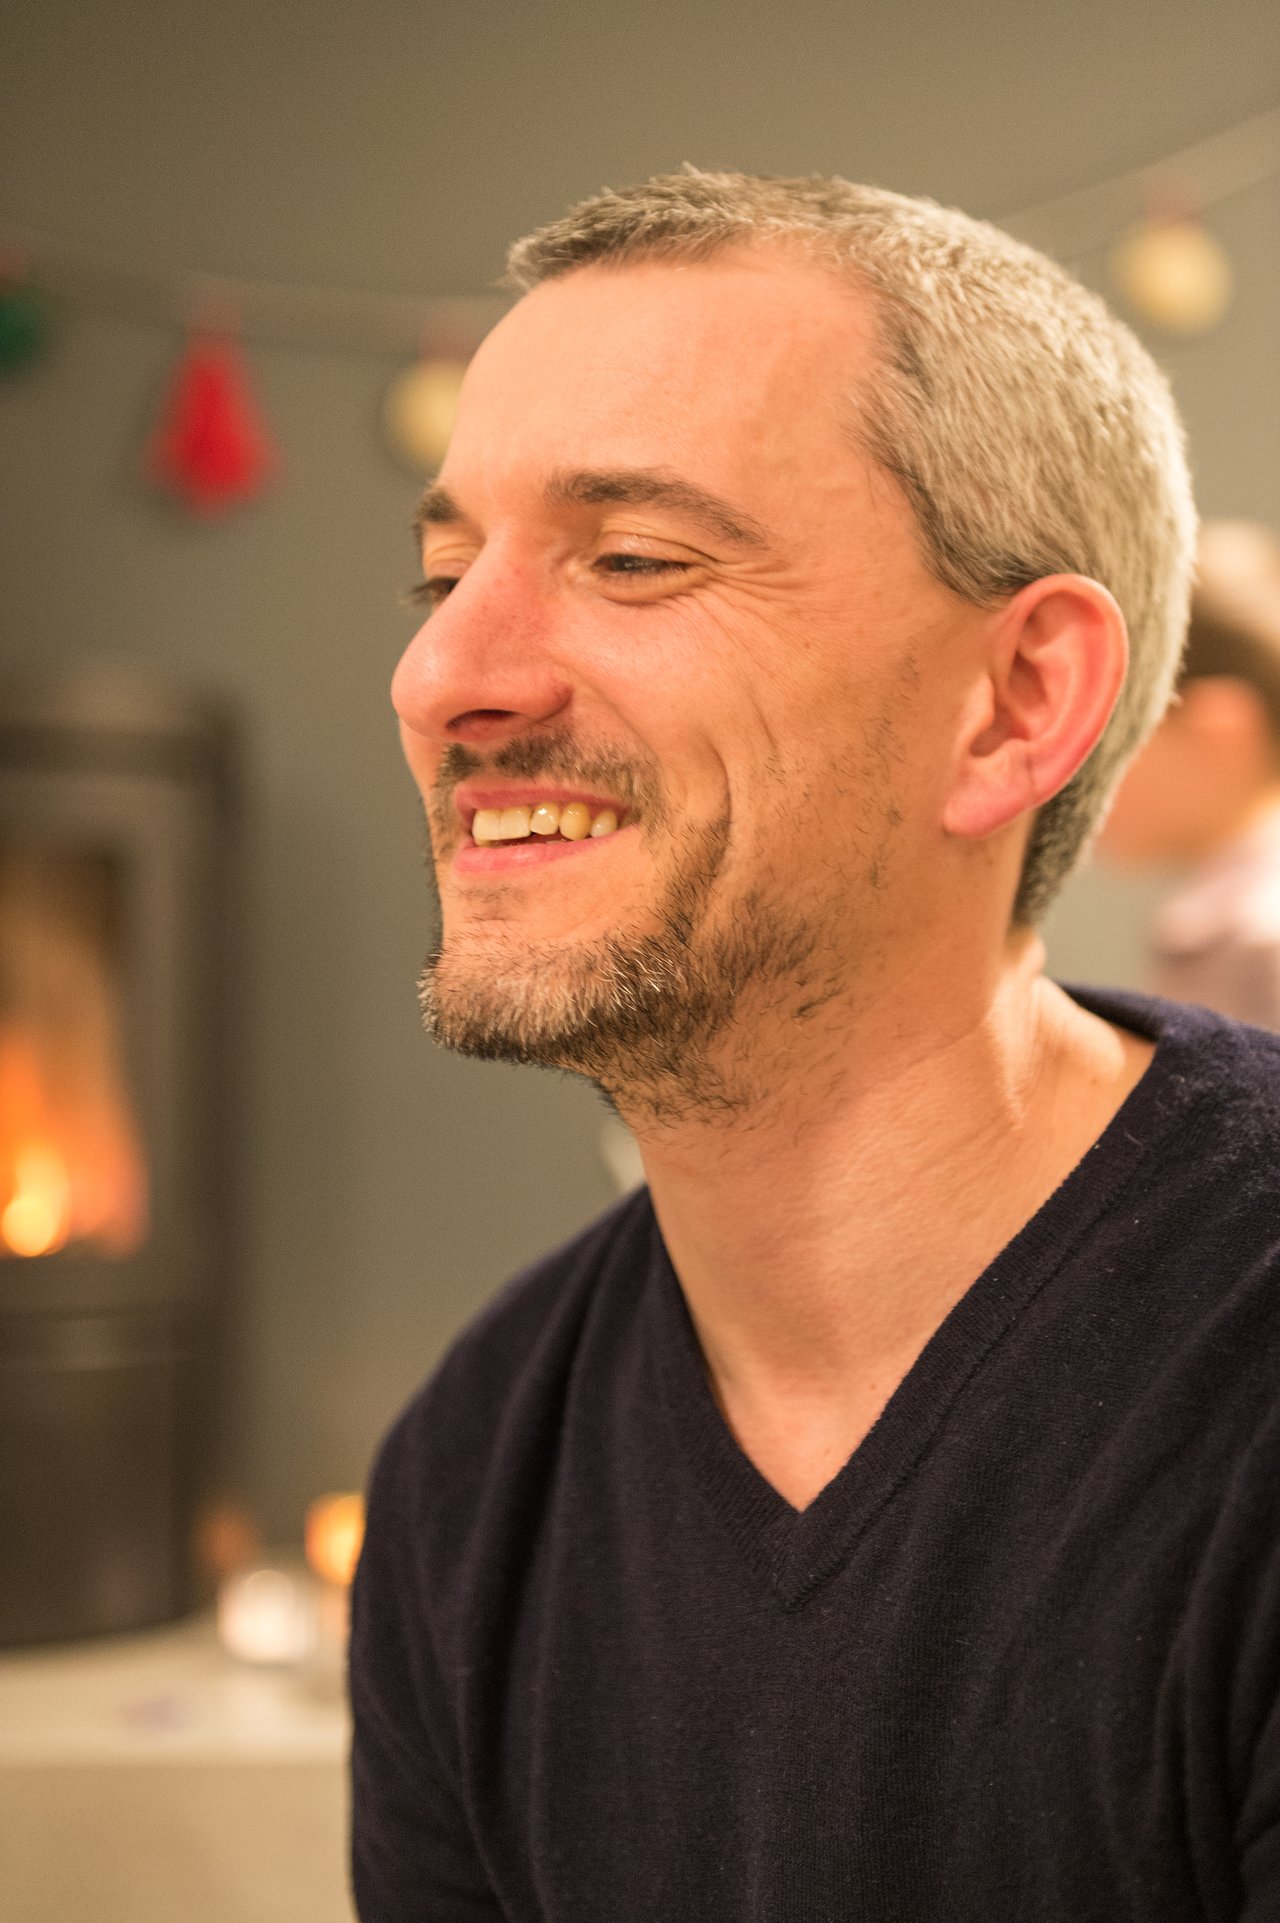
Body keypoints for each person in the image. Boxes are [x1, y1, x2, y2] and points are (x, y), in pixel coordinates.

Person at [351, 171, 1280, 1922]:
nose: (442, 676)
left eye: (633, 560)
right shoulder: (473, 1469)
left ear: (1014, 703)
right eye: (442, 572)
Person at [1100, 519, 1280, 1027]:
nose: (1077, 771)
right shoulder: (1223, 927)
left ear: (1218, 730)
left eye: (1114, 731)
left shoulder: (1262, 940)